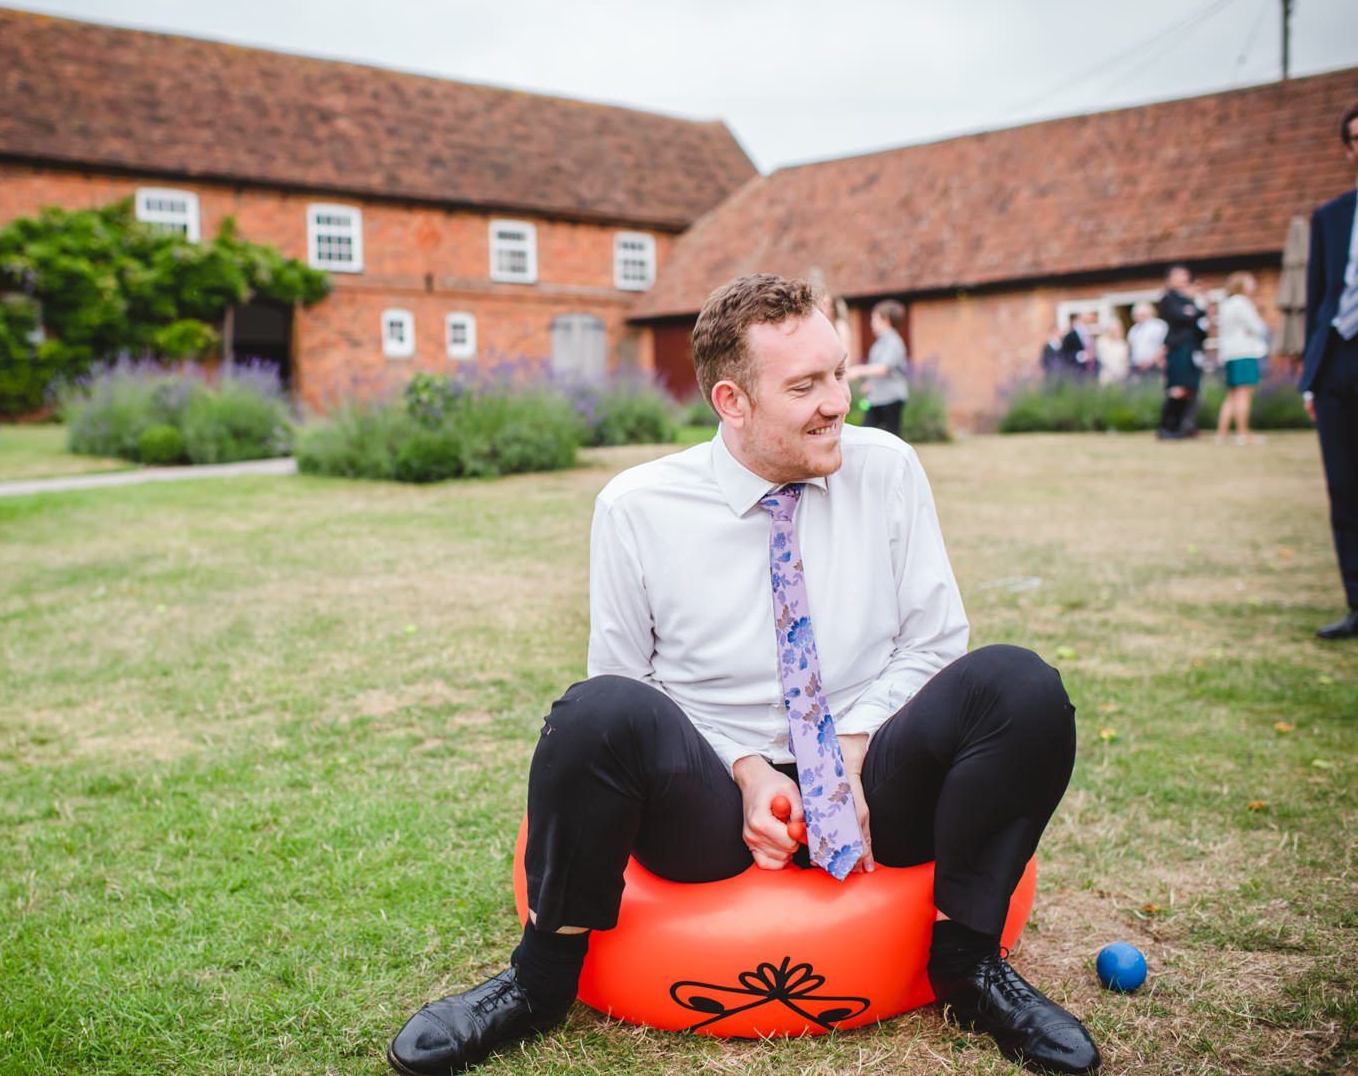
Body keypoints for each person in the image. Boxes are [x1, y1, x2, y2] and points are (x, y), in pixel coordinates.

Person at [387, 274, 1099, 1076]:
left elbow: (936, 641)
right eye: (805, 386)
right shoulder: (636, 507)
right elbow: (629, 682)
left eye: (838, 372)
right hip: (710, 793)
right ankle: (540, 981)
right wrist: (746, 765)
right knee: (592, 713)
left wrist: (851, 753)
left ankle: (969, 969)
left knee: (1022, 686)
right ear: (732, 400)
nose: (838, 402)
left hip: (879, 775)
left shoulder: (888, 469)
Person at [1301, 99, 1358, 640]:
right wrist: (1311, 380)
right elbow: (1321, 298)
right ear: (1348, 150)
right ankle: (1356, 602)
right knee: (1344, 487)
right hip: (1339, 362)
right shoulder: (1332, 217)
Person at [1212, 272, 1269, 445]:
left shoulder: (1225, 304)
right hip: (1244, 352)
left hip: (1229, 353)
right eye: (1251, 283)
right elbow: (1257, 327)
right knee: (1244, 394)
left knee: (1232, 395)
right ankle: (1243, 433)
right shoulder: (1242, 303)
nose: (1254, 286)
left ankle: (1222, 434)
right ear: (1242, 286)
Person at [1156, 266, 1207, 439]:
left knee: (1191, 388)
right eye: (1178, 276)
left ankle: (1185, 426)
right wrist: (1193, 312)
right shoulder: (1168, 299)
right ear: (1169, 280)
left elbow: (1200, 318)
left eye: (1185, 276)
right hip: (1178, 348)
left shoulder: (1191, 300)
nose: (1182, 280)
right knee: (1177, 388)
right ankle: (1168, 427)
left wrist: (1194, 310)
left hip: (1193, 349)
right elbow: (1181, 317)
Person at [849, 298, 909, 437]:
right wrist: (869, 384)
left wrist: (858, 370)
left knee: (892, 436)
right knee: (866, 433)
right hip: (876, 398)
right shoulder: (880, 343)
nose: (871, 324)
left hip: (891, 398)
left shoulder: (893, 342)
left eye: (874, 319)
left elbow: (883, 368)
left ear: (886, 321)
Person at [1126, 301, 1168, 378]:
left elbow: (1164, 346)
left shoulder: (1159, 326)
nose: (1138, 317)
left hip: (1154, 366)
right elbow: (1129, 347)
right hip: (1136, 367)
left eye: (1141, 315)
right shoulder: (1134, 329)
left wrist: (1151, 362)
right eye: (1136, 315)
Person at [1093, 316, 1130, 386]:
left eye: (1116, 330)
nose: (1113, 332)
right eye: (1112, 330)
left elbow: (1125, 361)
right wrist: (1116, 372)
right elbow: (1103, 360)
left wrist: (1123, 373)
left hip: (1121, 377)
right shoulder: (1101, 342)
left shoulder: (1122, 344)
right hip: (1107, 375)